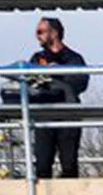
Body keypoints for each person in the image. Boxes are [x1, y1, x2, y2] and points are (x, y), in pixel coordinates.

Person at [25, 17, 90, 181]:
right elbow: (30, 83)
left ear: (54, 33)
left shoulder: (74, 58)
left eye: (41, 32)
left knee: (69, 164)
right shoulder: (36, 58)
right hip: (43, 116)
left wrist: (57, 73)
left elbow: (80, 83)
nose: (37, 36)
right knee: (42, 164)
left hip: (68, 115)